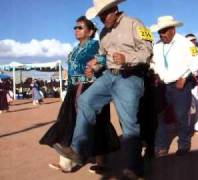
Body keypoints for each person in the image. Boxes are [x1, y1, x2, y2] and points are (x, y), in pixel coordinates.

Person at [52, 0, 153, 178]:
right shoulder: (105, 32)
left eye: (104, 14)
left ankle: (134, 168)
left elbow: (147, 51)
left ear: (115, 9)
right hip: (109, 76)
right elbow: (103, 57)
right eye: (99, 16)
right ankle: (77, 149)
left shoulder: (134, 23)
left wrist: (127, 57)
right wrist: (95, 65)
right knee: (85, 100)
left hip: (130, 77)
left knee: (128, 124)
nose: (102, 18)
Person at [39, 16, 119, 173]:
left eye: (80, 27)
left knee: (98, 122)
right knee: (68, 121)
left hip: (92, 87)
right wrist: (69, 89)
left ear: (90, 32)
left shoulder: (96, 45)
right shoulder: (75, 48)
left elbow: (103, 59)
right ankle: (66, 163)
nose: (76, 30)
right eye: (75, 28)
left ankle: (101, 161)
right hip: (73, 89)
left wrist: (94, 68)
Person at [150, 16, 198, 156]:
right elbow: (153, 63)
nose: (162, 34)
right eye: (160, 31)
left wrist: (185, 77)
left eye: (165, 31)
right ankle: (161, 146)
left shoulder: (187, 44)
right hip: (162, 85)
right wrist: (155, 74)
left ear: (173, 30)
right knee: (159, 116)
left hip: (180, 85)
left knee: (180, 116)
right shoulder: (157, 45)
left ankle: (184, 144)